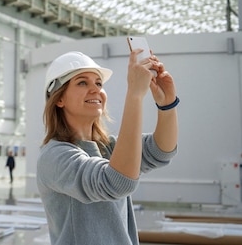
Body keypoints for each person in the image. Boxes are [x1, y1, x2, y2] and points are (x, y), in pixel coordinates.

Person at [37, 50, 178, 245]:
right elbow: (118, 182)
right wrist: (134, 96)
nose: (95, 89)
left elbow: (161, 152)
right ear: (59, 99)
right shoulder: (54, 156)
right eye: (82, 82)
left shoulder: (108, 148)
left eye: (98, 83)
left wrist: (167, 104)